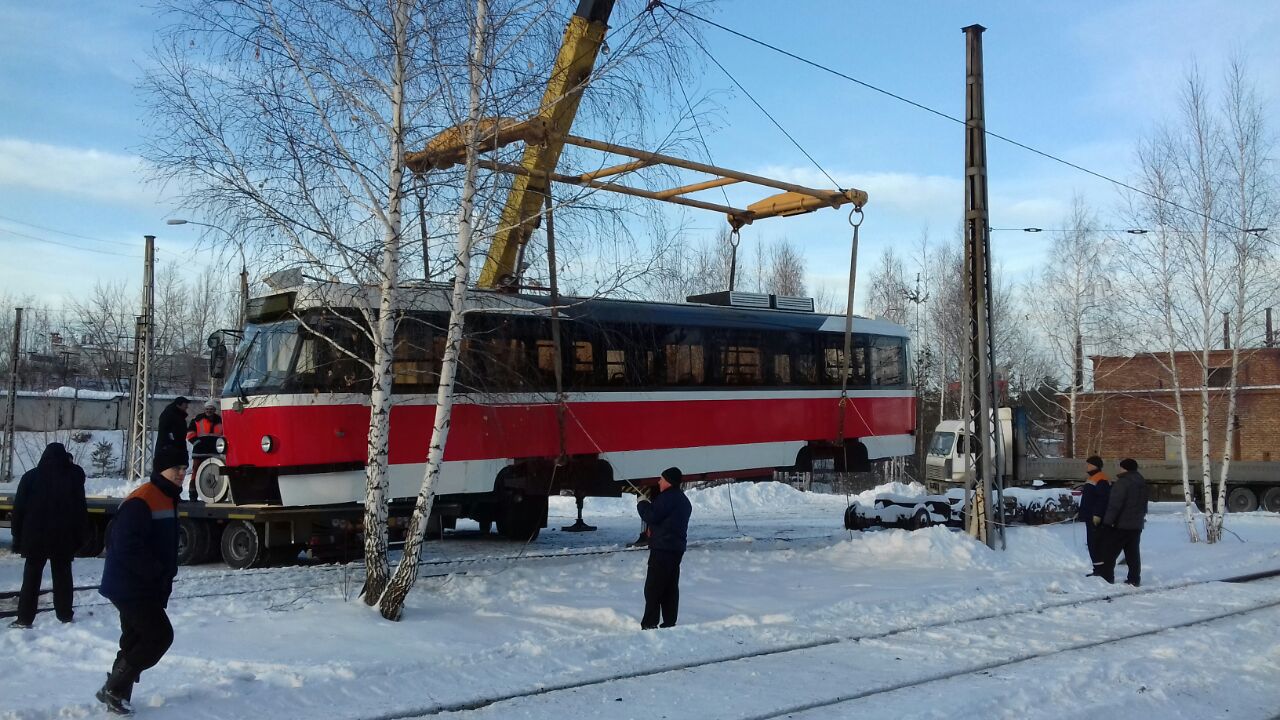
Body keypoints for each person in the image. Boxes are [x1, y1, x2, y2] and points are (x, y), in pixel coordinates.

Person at [96, 445, 187, 715]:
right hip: (130, 585)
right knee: (159, 636)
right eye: (176, 469)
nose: (182, 473)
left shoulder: (166, 496)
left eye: (184, 468)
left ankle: (117, 695)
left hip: (139, 584)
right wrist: (156, 571)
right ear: (162, 469)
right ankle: (113, 688)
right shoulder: (144, 498)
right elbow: (124, 545)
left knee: (135, 639)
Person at [9, 443, 87, 628]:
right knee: (63, 578)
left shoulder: (30, 477)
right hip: (63, 538)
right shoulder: (72, 478)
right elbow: (80, 510)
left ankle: (24, 618)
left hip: (34, 538)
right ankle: (65, 615)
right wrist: (80, 536)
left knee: (31, 580)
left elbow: (18, 509)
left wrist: (16, 535)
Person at [636, 467, 692, 630]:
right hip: (676, 549)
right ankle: (669, 621)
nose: (659, 481)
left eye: (661, 478)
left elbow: (651, 515)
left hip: (662, 549)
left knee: (653, 588)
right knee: (670, 587)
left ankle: (649, 623)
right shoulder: (683, 500)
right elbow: (664, 519)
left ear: (668, 481)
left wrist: (642, 504)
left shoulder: (667, 498)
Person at [1097, 457, 1149, 587]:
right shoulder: (1142, 482)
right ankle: (1134, 579)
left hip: (1121, 525)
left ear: (1124, 468)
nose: (1119, 469)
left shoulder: (1123, 482)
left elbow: (1115, 505)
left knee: (1110, 552)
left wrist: (1108, 522)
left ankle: (1107, 577)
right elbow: (1144, 504)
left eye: (1120, 467)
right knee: (1133, 553)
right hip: (1136, 524)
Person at [1076, 455, 1111, 578]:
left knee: (1095, 543)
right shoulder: (1093, 478)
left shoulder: (1100, 479)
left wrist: (1097, 514)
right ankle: (1098, 568)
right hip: (1090, 515)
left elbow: (1103, 499)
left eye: (1089, 464)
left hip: (1094, 518)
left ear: (1095, 465)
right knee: (1093, 543)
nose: (1087, 466)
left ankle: (1100, 570)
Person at [185, 400, 223, 501]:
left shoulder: (220, 421)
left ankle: (213, 495)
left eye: (211, 409)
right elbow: (190, 434)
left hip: (214, 453)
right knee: (196, 473)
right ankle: (193, 494)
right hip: (199, 453)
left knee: (215, 475)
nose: (209, 411)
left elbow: (224, 435)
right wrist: (198, 444)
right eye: (207, 409)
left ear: (214, 410)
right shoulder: (197, 420)